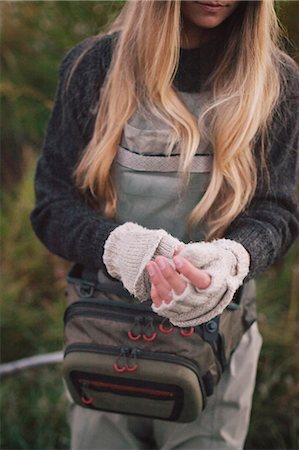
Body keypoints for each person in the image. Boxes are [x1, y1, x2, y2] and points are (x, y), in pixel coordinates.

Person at [31, 0, 299, 449]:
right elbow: (52, 206)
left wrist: (233, 259)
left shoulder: (279, 82)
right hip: (102, 335)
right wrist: (119, 248)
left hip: (217, 341)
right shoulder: (93, 67)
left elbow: (280, 210)